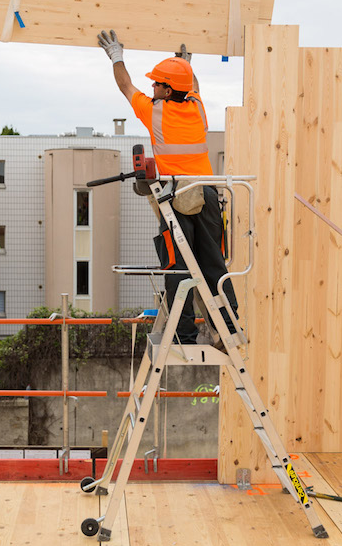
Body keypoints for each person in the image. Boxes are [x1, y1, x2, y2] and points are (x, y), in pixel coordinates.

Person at [97, 29, 238, 345]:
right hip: (208, 194)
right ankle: (229, 325)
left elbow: (124, 85)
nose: (152, 86)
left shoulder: (154, 112)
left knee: (178, 268)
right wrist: (186, 66)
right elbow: (195, 87)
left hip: (177, 200)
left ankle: (184, 333)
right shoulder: (198, 108)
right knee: (213, 262)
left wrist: (116, 55)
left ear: (167, 89)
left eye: (157, 83)